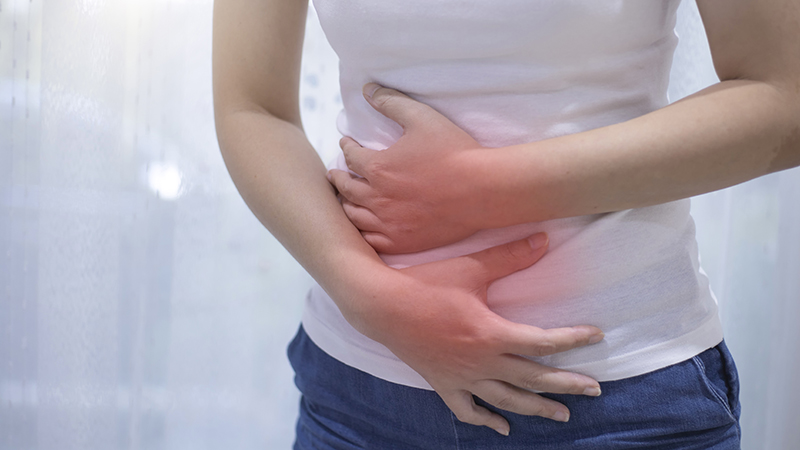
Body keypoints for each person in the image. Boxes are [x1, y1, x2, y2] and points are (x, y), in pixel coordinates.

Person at [212, 0, 800, 448]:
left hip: (623, 401)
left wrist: (480, 190)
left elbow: (784, 95)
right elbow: (252, 104)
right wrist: (370, 295)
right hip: (359, 393)